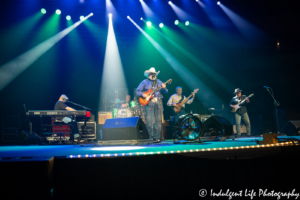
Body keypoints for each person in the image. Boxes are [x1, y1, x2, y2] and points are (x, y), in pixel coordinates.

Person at [135, 67, 168, 143]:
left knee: (158, 120)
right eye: (151, 74)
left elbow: (165, 92)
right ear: (148, 75)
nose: (152, 75)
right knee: (149, 120)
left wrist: (164, 88)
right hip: (149, 102)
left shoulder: (159, 82)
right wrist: (144, 95)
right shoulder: (144, 82)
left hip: (158, 101)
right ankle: (150, 137)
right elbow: (137, 91)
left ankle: (157, 138)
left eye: (153, 74)